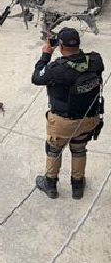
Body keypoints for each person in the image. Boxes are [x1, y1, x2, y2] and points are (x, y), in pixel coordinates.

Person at [32, 27, 104, 199]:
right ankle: (77, 187)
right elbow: (82, 64)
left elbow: (36, 77)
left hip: (63, 123)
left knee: (54, 150)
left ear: (61, 46)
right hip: (88, 120)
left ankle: (50, 185)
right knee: (79, 149)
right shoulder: (96, 60)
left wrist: (46, 54)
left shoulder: (56, 69)